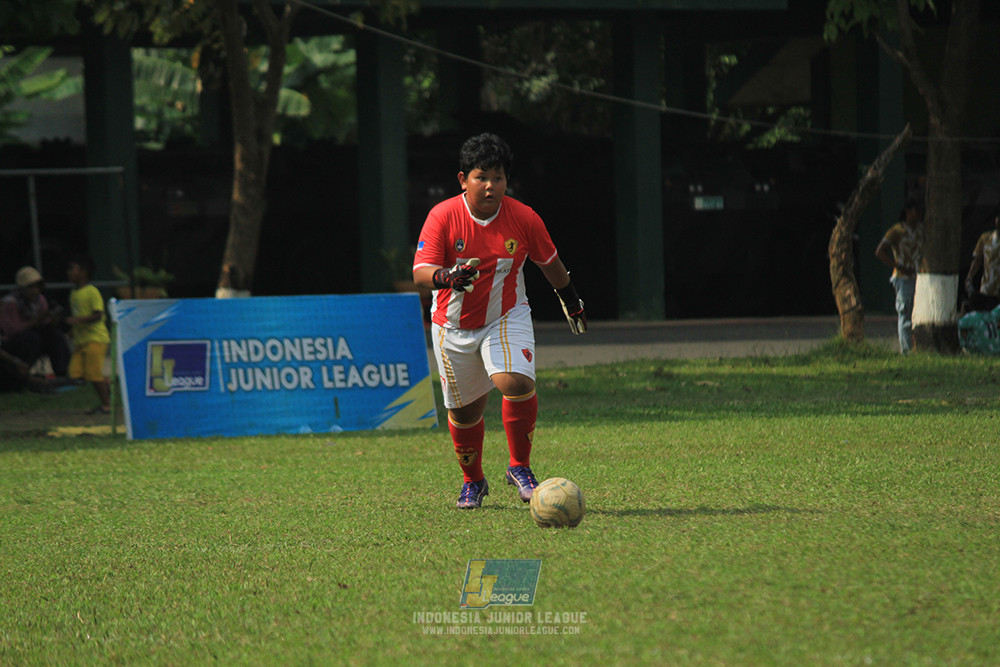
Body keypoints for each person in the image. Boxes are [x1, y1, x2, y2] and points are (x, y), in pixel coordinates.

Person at [412, 133, 587, 510]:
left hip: (505, 317)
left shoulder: (524, 218)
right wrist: (447, 277)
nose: (490, 185)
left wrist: (571, 299)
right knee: (465, 413)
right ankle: (473, 482)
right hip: (452, 325)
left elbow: (549, 263)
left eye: (498, 177)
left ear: (508, 181)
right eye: (481, 176)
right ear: (463, 179)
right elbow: (421, 272)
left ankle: (519, 467)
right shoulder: (443, 215)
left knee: (515, 381)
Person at [0, 266, 71, 377]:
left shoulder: (40, 299)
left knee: (55, 335)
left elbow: (44, 324)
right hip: (13, 345)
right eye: (31, 287)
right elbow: (12, 331)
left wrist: (52, 320)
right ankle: (19, 374)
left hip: (35, 339)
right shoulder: (11, 302)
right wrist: (35, 320)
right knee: (31, 337)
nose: (35, 291)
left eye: (37, 287)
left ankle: (62, 373)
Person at [65, 254, 112, 414]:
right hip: (81, 340)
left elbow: (98, 314)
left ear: (83, 272)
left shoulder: (92, 291)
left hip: (95, 339)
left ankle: (106, 405)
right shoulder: (74, 293)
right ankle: (106, 386)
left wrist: (77, 321)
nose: (68, 272)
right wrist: (73, 330)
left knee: (93, 374)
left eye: (72, 269)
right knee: (75, 372)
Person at [875, 199, 923, 354]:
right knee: (905, 312)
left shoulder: (921, 230)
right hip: (903, 277)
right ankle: (906, 351)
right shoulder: (896, 230)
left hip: (919, 277)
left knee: (918, 315)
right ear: (908, 211)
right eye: (915, 210)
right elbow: (880, 251)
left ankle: (917, 347)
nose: (918, 213)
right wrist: (897, 265)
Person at [964, 210, 1000, 313]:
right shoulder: (986, 238)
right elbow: (977, 259)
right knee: (987, 315)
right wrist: (970, 276)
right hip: (989, 287)